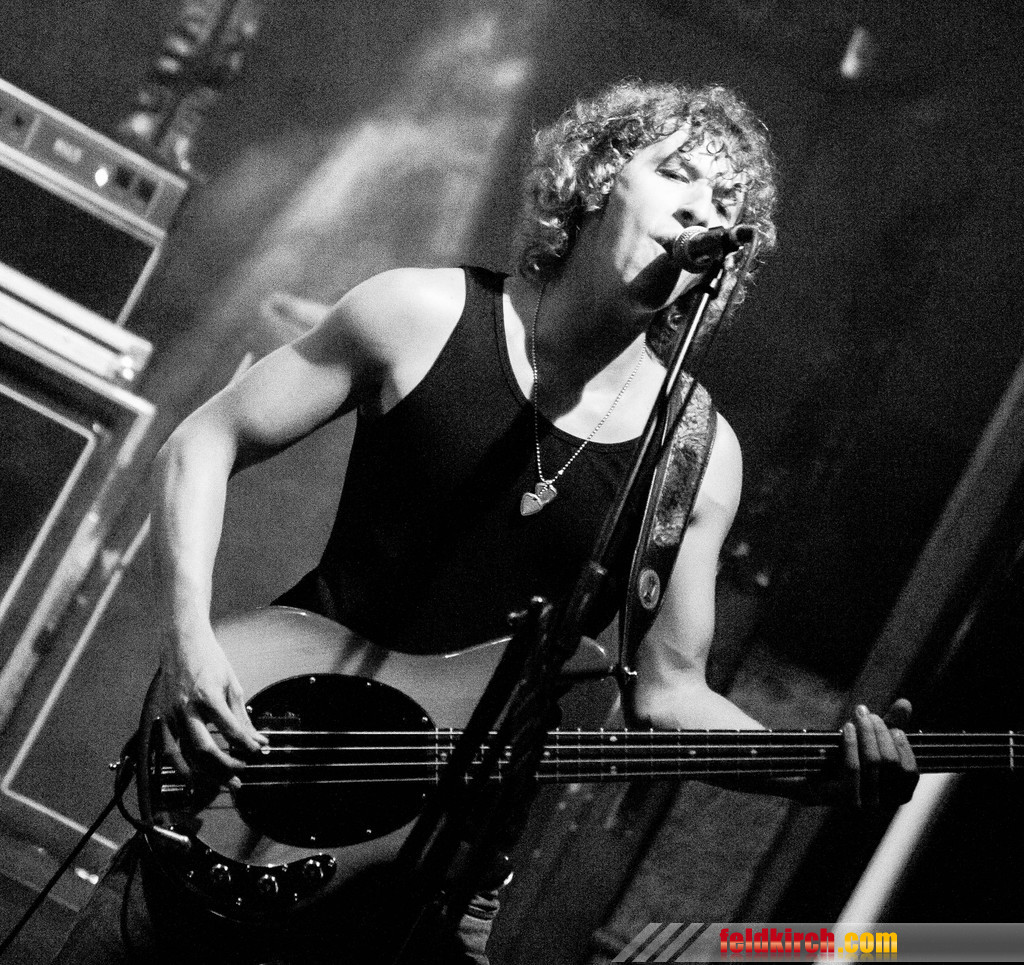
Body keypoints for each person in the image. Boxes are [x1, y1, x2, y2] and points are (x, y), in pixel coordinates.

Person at [52, 80, 918, 965]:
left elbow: (668, 694)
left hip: (434, 884)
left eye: (725, 204)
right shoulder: (420, 316)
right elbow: (203, 443)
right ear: (597, 180)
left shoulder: (694, 454)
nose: (703, 209)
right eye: (679, 174)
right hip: (262, 775)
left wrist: (816, 771)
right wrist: (188, 636)